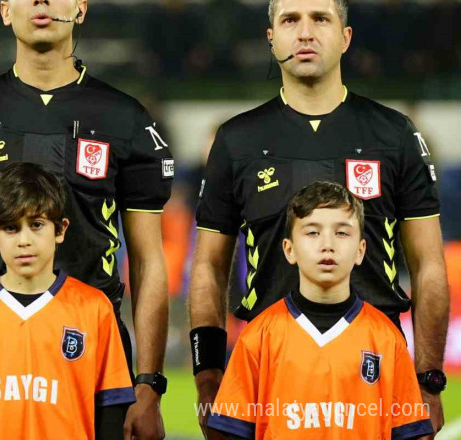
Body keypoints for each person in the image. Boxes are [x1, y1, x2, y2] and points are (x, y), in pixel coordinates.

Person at [0, 1, 174, 439]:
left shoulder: (124, 118)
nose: (41, 2)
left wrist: (148, 384)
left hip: (92, 364)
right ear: (5, 11)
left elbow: (148, 262)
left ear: (81, 9)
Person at [188, 0, 448, 437]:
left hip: (375, 366)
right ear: (271, 39)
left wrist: (428, 379)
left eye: (320, 19)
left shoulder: (394, 134)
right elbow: (209, 267)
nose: (305, 33)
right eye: (290, 20)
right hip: (269, 365)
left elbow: (428, 265)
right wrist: (208, 375)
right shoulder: (237, 140)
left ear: (346, 38)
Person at [0, 163, 135, 440]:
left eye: (36, 225)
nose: (24, 240)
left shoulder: (94, 309)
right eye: (10, 228)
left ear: (60, 229)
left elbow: (110, 413)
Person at [206, 182, 433, 440]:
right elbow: (231, 431)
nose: (327, 245)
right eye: (313, 233)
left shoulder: (386, 339)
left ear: (360, 251)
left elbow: (410, 432)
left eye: (342, 233)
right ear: (289, 250)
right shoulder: (258, 337)